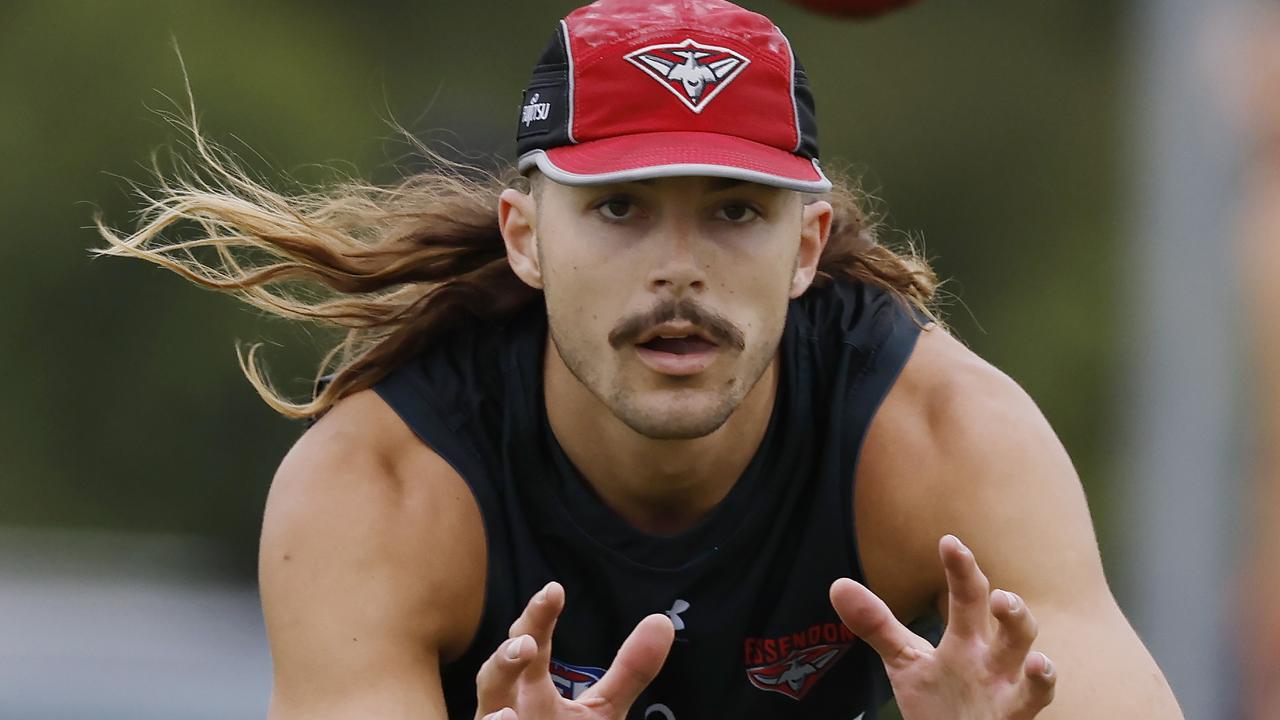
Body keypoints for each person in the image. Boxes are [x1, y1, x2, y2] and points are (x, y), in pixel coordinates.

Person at [95, 0, 1183, 717]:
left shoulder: (940, 440)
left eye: (733, 212)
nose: (678, 270)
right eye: (618, 208)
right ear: (526, 236)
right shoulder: (378, 488)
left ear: (804, 247)